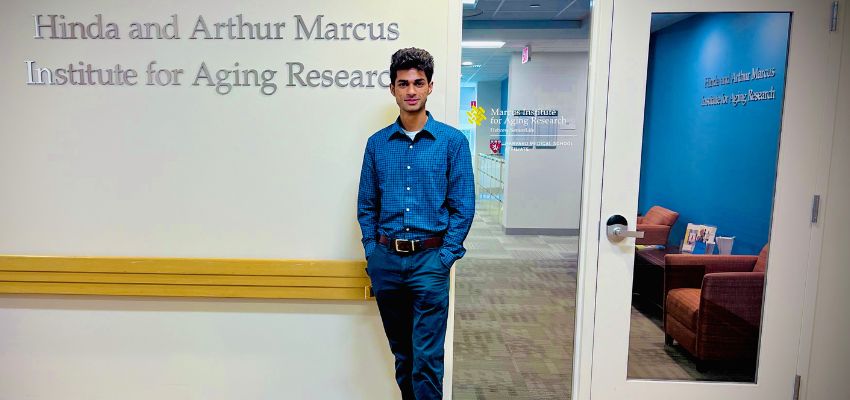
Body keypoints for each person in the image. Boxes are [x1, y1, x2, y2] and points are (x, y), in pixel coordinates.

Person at [356, 47, 475, 400]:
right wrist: (372, 252)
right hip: (387, 262)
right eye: (403, 83)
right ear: (392, 88)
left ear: (430, 87)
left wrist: (446, 256)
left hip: (430, 262)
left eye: (418, 83)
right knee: (403, 355)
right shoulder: (377, 145)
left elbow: (463, 206)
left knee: (427, 358)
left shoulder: (452, 142)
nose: (411, 90)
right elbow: (366, 205)